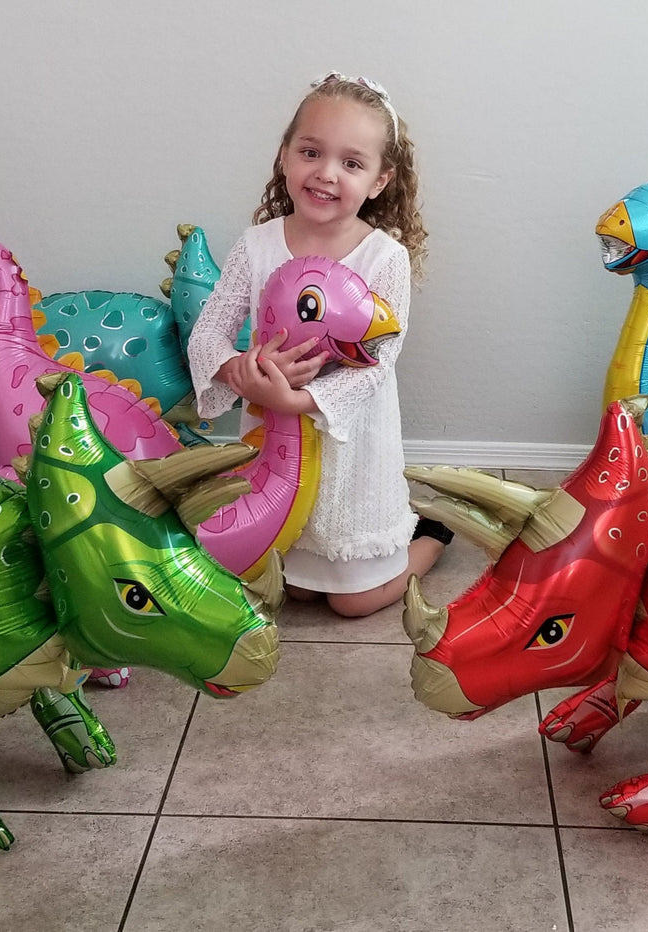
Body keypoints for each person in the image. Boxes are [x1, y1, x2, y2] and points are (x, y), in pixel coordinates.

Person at [187, 71, 451, 618]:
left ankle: (428, 539)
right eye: (311, 152)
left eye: (351, 163)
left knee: (354, 601)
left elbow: (376, 364)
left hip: (351, 450)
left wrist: (300, 400)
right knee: (298, 588)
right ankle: (311, 559)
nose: (326, 173)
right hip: (274, 442)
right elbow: (209, 330)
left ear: (379, 180)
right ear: (285, 156)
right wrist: (238, 370)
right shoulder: (256, 246)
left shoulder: (384, 259)